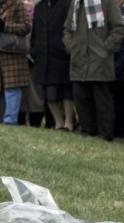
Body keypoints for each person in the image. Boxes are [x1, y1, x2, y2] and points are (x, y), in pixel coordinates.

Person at [63, 0, 124, 139]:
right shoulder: (76, 3)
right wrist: (71, 48)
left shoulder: (108, 2)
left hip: (100, 60)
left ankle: (106, 134)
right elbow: (67, 29)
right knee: (81, 97)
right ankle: (87, 131)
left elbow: (118, 29)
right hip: (79, 58)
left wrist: (105, 49)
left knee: (102, 99)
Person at [0, 0, 32, 124]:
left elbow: (26, 27)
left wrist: (6, 26)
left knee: (12, 88)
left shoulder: (17, 4)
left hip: (13, 53)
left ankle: (10, 120)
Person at [31, 0, 75, 130]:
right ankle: (58, 123)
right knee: (49, 92)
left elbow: (71, 29)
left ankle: (69, 123)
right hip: (43, 56)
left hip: (62, 55)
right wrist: (34, 50)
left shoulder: (67, 4)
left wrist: (67, 49)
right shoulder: (39, 7)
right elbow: (34, 32)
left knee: (66, 91)